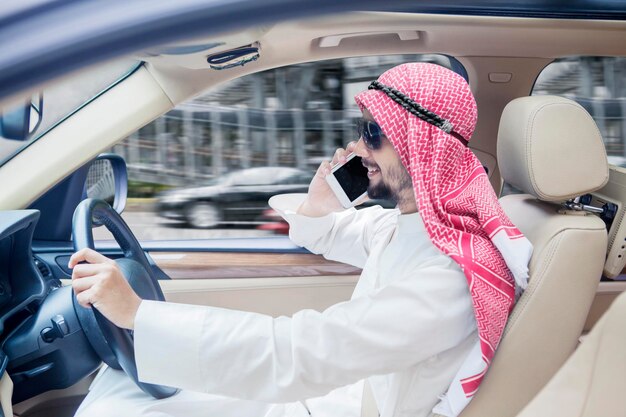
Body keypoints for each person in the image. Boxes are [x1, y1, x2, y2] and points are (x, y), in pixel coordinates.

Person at [70, 63, 532, 417]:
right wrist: (320, 201)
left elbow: (303, 352)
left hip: (347, 406)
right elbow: (333, 233)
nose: (356, 149)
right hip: (337, 397)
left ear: (422, 143)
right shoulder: (410, 225)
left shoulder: (449, 274)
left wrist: (138, 315)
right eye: (360, 131)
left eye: (372, 134)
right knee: (119, 388)